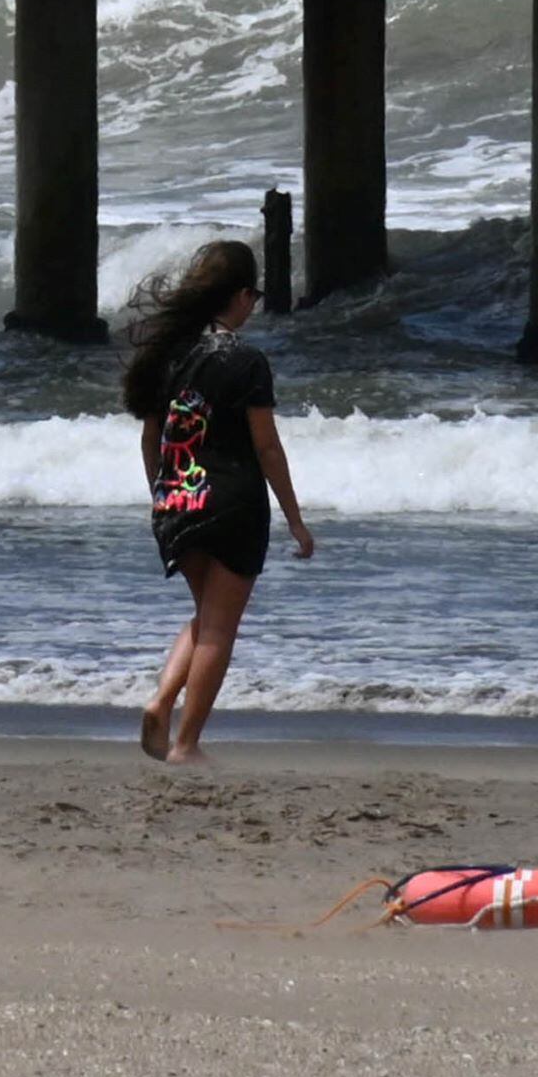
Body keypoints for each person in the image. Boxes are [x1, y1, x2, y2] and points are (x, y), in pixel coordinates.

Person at [121, 239, 313, 766]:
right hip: (233, 506)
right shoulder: (246, 360)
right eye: (253, 295)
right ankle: (186, 744)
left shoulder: (166, 357)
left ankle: (162, 701)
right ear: (239, 296)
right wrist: (296, 520)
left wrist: (162, 496)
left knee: (206, 614)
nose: (253, 305)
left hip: (178, 499)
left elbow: (150, 440)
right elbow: (267, 447)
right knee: (221, 628)